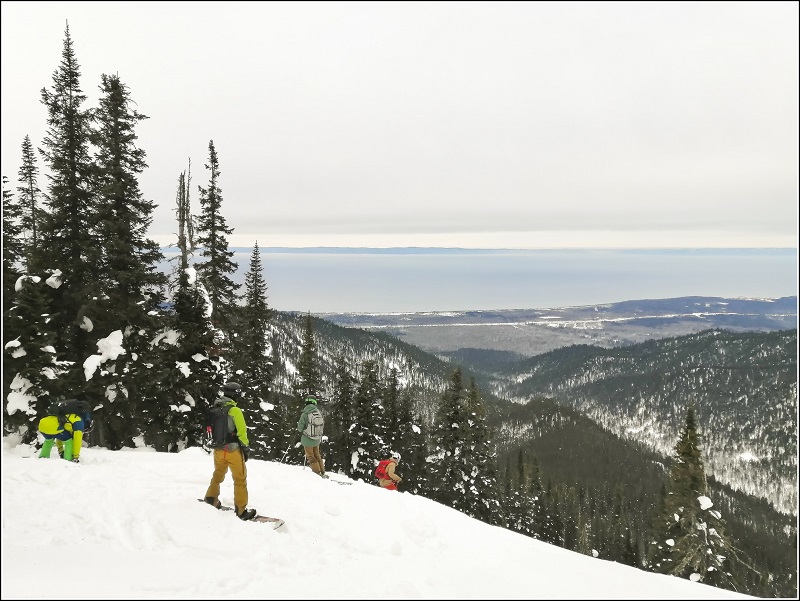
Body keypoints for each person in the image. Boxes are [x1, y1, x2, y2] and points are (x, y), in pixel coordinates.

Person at [203, 382, 257, 521]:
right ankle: (241, 510)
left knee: (218, 474)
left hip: (218, 450)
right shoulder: (235, 410)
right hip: (232, 450)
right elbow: (242, 433)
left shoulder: (215, 407)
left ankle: (211, 498)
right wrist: (246, 450)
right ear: (235, 395)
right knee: (240, 479)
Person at [297, 396, 327, 478]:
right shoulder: (318, 412)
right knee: (317, 455)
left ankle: (317, 474)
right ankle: (322, 471)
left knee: (310, 456)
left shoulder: (305, 414)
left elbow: (299, 428)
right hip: (317, 439)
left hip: (308, 439)